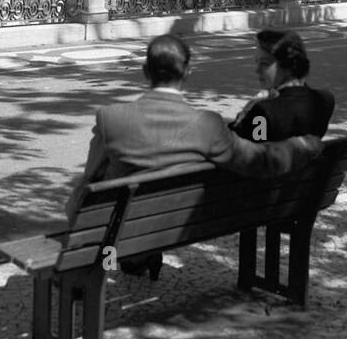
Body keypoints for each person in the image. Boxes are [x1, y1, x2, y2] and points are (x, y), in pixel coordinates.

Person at [65, 34, 323, 279]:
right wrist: (303, 145)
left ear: (145, 72)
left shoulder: (112, 118)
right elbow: (260, 160)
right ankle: (141, 255)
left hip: (119, 230)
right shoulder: (208, 126)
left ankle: (112, 264)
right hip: (179, 225)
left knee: (92, 190)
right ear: (187, 73)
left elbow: (91, 178)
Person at [229, 29, 335, 144]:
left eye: (264, 63)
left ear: (288, 66)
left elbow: (246, 149)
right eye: (257, 62)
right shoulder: (325, 100)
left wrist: (246, 112)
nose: (257, 70)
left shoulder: (262, 112)